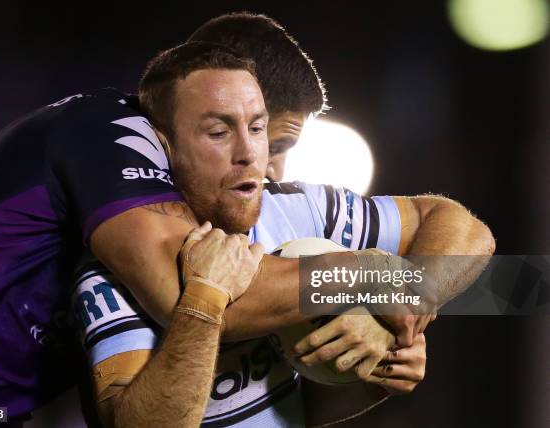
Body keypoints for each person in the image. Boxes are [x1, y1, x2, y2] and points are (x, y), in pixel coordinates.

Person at [72, 40, 493, 427]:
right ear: (165, 147)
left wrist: (388, 345)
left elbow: (466, 230)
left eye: (257, 129)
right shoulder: (119, 265)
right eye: (219, 132)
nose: (251, 155)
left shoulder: (303, 208)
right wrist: (204, 302)